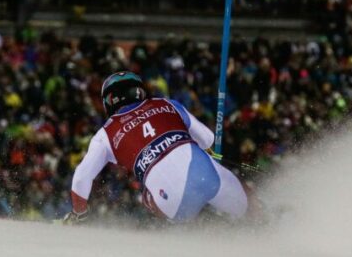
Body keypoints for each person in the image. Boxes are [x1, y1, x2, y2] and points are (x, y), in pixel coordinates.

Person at [64, 72, 248, 223]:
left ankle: (188, 229)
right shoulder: (167, 103)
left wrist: (79, 214)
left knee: (147, 195)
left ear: (109, 100)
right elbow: (207, 139)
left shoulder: (105, 134)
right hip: (208, 175)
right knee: (245, 203)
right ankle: (256, 218)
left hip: (173, 202)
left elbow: (81, 178)